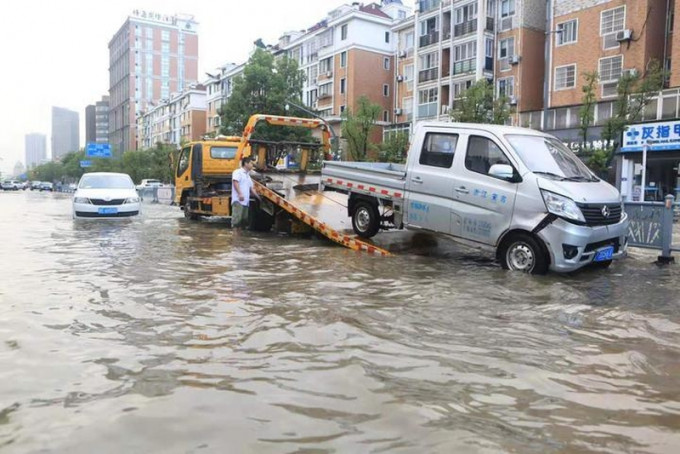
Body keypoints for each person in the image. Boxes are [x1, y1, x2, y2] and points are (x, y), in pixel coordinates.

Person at [231, 156, 261, 229]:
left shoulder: (247, 176)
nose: (252, 165)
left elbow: (251, 188)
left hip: (245, 202)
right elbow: (235, 182)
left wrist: (259, 197)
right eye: (251, 163)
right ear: (246, 164)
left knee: (243, 222)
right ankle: (235, 239)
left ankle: (239, 239)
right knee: (236, 222)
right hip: (238, 200)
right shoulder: (238, 172)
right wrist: (240, 194)